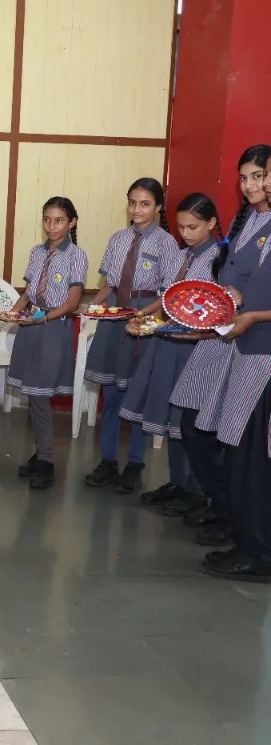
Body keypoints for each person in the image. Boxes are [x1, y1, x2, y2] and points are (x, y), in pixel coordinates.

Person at [170, 145, 271, 547]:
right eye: (244, 177)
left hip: (253, 343)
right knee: (199, 427)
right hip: (228, 336)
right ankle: (229, 510)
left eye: (258, 176)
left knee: (239, 443)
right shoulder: (245, 222)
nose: (251, 185)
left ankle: (245, 528)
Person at [122, 194, 221, 515]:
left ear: (211, 224)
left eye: (193, 227)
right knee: (171, 415)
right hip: (170, 340)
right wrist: (145, 316)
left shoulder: (218, 259)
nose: (187, 233)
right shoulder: (181, 256)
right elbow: (168, 298)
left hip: (196, 346)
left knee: (190, 420)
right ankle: (178, 481)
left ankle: (196, 489)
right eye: (181, 228)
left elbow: (218, 308)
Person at [83, 178, 178, 493]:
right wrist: (91, 307)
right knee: (110, 394)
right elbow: (109, 283)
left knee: (137, 396)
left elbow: (167, 295)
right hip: (114, 314)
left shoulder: (167, 244)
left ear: (158, 207)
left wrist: (143, 313)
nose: (137, 209)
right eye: (133, 202)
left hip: (143, 317)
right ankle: (108, 461)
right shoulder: (118, 238)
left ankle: (135, 464)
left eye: (145, 203)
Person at [204, 162, 271, 582]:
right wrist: (241, 296)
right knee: (243, 453)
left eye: (264, 176)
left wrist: (254, 315)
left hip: (263, 350)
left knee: (252, 457)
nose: (261, 184)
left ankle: (258, 552)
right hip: (251, 345)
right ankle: (247, 541)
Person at [6, 197, 87, 488]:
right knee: (31, 391)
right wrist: (12, 313)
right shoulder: (36, 252)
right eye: (47, 219)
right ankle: (40, 452)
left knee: (41, 394)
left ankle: (47, 461)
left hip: (53, 327)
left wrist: (41, 319)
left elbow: (73, 303)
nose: (51, 226)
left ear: (72, 222)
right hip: (30, 326)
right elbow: (29, 292)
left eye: (59, 220)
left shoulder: (77, 256)